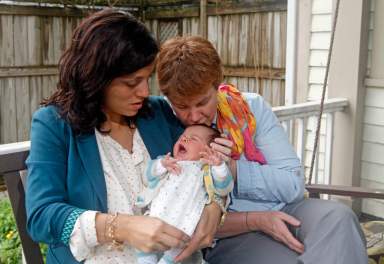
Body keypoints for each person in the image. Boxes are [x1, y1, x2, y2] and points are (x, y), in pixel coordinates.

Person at [25, 10, 224, 264]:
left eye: (147, 79)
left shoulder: (157, 114)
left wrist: (215, 206)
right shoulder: (54, 125)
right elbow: (41, 217)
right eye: (132, 82)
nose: (144, 91)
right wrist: (122, 227)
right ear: (97, 77)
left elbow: (210, 160)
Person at [156, 35, 368, 264]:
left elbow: (294, 185)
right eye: (182, 106)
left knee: (339, 217)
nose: (194, 116)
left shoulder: (249, 108)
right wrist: (256, 219)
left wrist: (234, 168)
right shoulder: (165, 125)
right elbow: (175, 213)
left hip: (287, 207)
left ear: (217, 85)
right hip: (233, 233)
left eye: (202, 102)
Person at [135, 124, 233, 264]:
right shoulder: (169, 161)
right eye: (182, 137)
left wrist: (219, 166)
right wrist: (162, 165)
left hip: (186, 219)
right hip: (159, 213)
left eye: (193, 139)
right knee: (144, 240)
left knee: (178, 249)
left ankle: (167, 261)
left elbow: (224, 188)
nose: (184, 140)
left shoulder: (206, 169)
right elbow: (148, 175)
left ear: (209, 151)